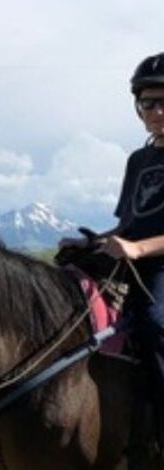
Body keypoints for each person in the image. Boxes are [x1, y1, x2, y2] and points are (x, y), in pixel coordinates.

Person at [61, 52, 164, 439]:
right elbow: (129, 225)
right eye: (148, 102)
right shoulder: (139, 159)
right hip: (132, 261)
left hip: (159, 266)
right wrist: (93, 242)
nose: (156, 110)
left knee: (155, 325)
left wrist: (137, 250)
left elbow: (137, 240)